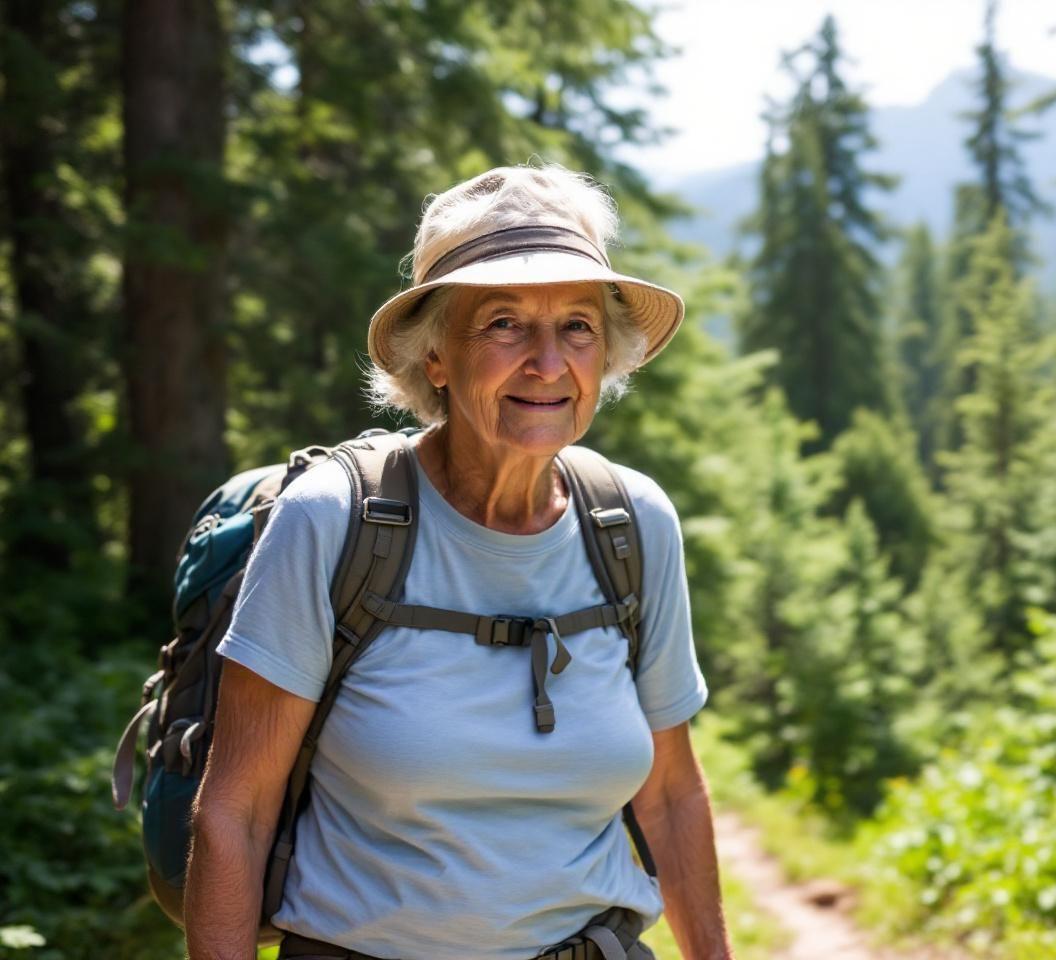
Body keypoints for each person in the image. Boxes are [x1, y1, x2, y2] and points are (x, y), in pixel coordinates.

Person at [184, 164, 732, 960]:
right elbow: (234, 810)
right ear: (434, 355)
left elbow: (675, 795)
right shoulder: (335, 522)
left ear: (605, 353)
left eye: (577, 326)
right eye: (505, 323)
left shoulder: (632, 523)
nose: (548, 363)